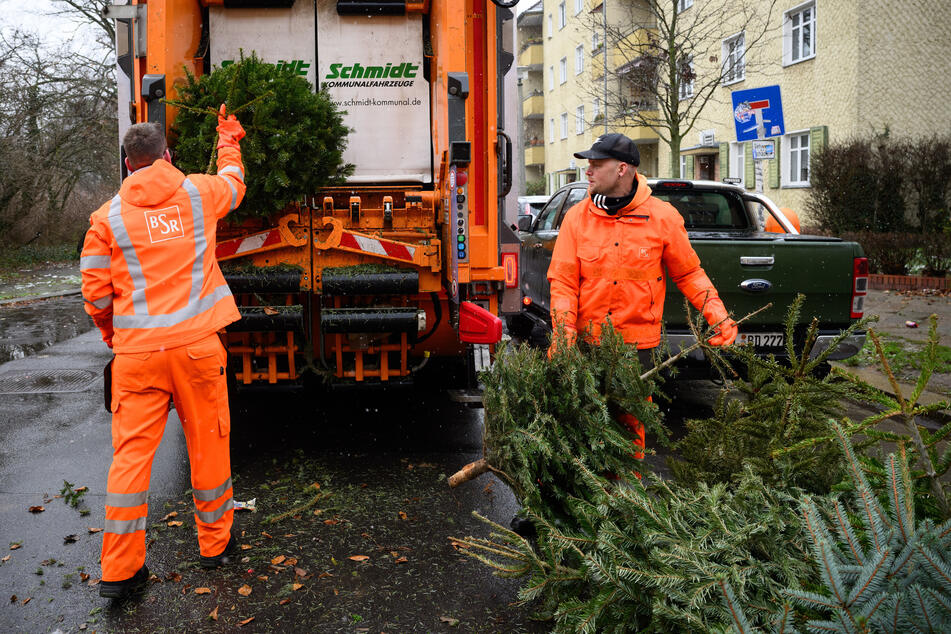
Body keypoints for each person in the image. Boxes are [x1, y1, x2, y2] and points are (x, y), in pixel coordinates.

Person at [80, 106, 247, 599]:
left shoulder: (105, 218)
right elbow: (234, 182)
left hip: (138, 358)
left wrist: (115, 335)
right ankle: (216, 547)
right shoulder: (198, 192)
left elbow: (95, 293)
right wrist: (228, 138)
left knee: (130, 460)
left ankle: (120, 570)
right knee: (209, 444)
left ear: (128, 164)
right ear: (167, 157)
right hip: (198, 350)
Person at [547, 133, 737, 460]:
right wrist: (564, 337)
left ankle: (628, 498)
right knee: (579, 426)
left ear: (622, 169)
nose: (588, 171)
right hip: (586, 344)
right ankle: (584, 500)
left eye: (596, 164)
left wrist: (717, 315)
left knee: (629, 426)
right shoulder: (577, 219)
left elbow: (690, 274)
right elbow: (563, 284)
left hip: (637, 349)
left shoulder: (662, 218)